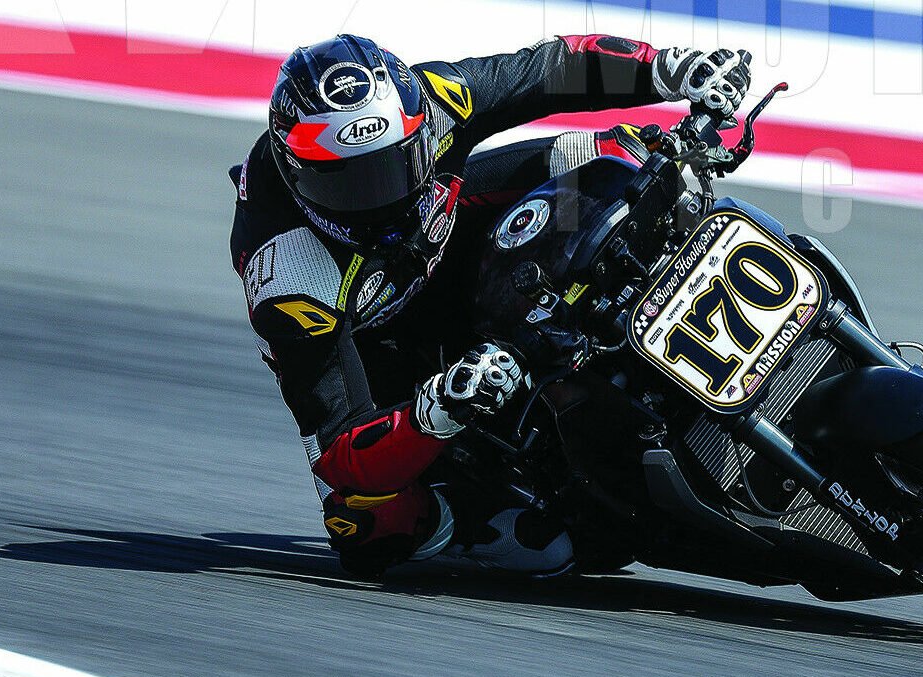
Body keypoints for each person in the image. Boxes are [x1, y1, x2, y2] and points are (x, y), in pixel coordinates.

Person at [229, 34, 752, 578]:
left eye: (395, 167)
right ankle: (471, 520)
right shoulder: (289, 277)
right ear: (297, 175)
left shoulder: (432, 101)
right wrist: (433, 414)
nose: (382, 199)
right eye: (351, 186)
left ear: (418, 132)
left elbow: (551, 69)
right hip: (383, 342)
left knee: (619, 156)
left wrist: (669, 70)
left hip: (450, 231)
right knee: (363, 520)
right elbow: (340, 452)